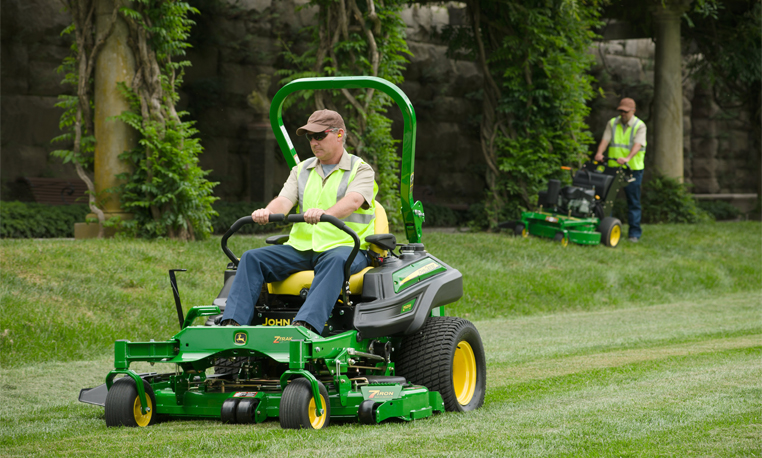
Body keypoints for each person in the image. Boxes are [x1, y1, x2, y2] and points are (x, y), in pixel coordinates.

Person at [220, 109, 377, 333]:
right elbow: (284, 200)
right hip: (302, 248)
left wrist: (324, 213)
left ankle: (305, 328)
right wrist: (266, 211)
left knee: (334, 262)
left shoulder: (360, 169)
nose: (314, 142)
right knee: (252, 258)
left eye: (319, 136)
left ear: (340, 134)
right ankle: (232, 325)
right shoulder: (301, 170)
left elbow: (353, 201)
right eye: (310, 137)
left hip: (345, 249)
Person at [594, 97, 647, 242]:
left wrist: (628, 158)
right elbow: (605, 140)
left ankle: (634, 234)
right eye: (620, 111)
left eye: (625, 112)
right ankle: (605, 230)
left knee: (633, 201)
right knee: (606, 200)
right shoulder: (612, 123)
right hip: (613, 168)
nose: (622, 114)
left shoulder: (639, 126)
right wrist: (599, 153)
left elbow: (637, 145)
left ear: (633, 111)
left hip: (632, 169)